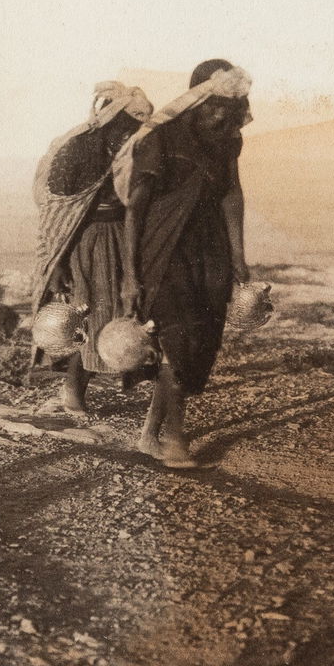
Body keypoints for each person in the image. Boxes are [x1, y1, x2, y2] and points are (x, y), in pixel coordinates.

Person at [112, 59, 253, 467]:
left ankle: (149, 435)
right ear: (198, 98)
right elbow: (135, 211)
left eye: (229, 107)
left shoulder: (228, 141)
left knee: (201, 336)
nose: (221, 114)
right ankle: (175, 439)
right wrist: (131, 275)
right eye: (214, 106)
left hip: (209, 250)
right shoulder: (163, 137)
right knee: (179, 337)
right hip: (163, 249)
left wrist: (239, 256)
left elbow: (232, 195)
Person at [30, 81, 154, 413]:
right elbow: (57, 214)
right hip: (87, 243)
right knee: (91, 316)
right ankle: (73, 391)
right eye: (128, 126)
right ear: (114, 120)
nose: (133, 133)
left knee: (121, 312)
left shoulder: (128, 151)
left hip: (121, 237)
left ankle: (109, 377)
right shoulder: (79, 151)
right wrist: (56, 264)